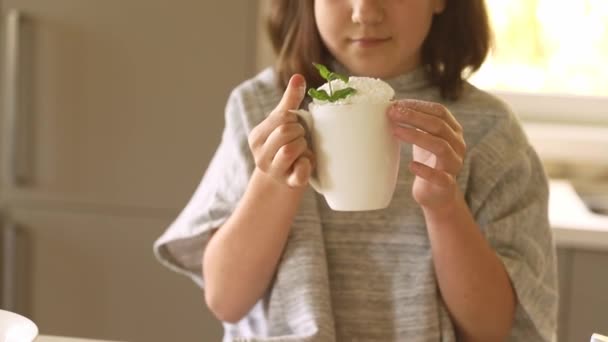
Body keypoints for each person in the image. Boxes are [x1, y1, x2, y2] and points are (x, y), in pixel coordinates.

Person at [154, 0, 558, 341]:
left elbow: (491, 328)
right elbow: (225, 299)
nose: (365, 11)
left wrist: (444, 206)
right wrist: (273, 180)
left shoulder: (488, 131)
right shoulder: (261, 111)